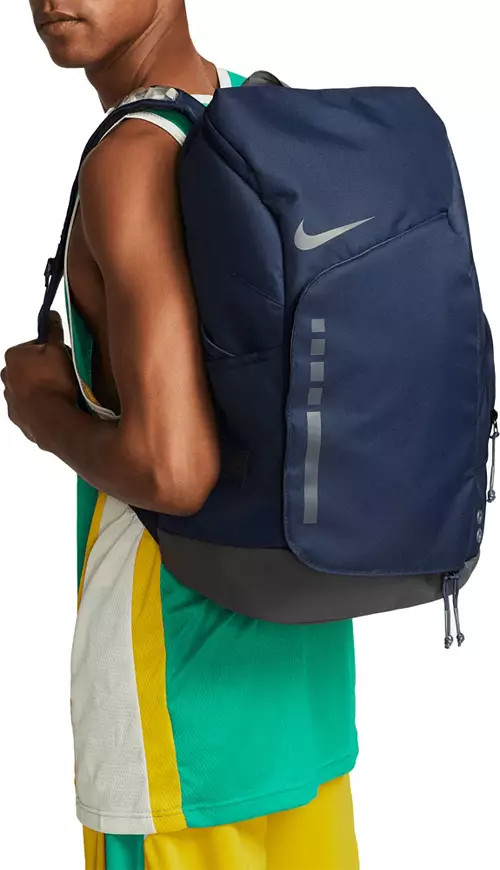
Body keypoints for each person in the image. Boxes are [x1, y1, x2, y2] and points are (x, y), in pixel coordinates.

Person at [2, 2, 360, 867]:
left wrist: (43, 411)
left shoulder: (131, 157)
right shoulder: (266, 116)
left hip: (176, 718)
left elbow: (173, 470)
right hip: (302, 683)